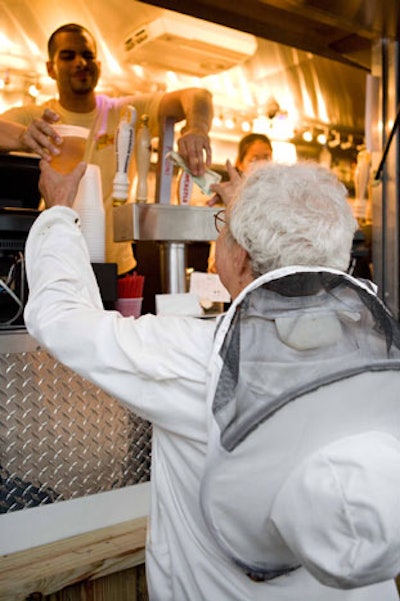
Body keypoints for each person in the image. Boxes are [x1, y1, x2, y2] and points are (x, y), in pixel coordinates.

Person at [24, 159, 400, 601]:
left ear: (238, 257)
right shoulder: (373, 348)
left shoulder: (195, 355)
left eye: (223, 229)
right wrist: (257, 207)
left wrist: (58, 212)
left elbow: (63, 319)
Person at [1, 22, 213, 275]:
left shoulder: (124, 113)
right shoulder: (37, 118)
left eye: (88, 55)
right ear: (51, 68)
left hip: (119, 267)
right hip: (56, 262)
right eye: (68, 56)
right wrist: (24, 136)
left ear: (99, 66)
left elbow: (197, 96)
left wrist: (197, 128)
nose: (81, 62)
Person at [207, 132, 273, 272]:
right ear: (240, 163)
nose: (261, 165)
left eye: (266, 157)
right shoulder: (228, 196)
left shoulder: (277, 198)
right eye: (253, 159)